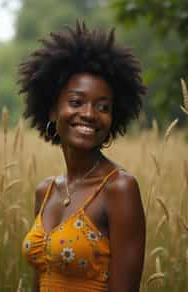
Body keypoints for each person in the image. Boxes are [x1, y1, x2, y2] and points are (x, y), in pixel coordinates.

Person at [20, 21, 146, 292]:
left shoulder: (119, 188)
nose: (89, 114)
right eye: (76, 102)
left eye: (103, 107)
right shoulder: (46, 191)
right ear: (52, 111)